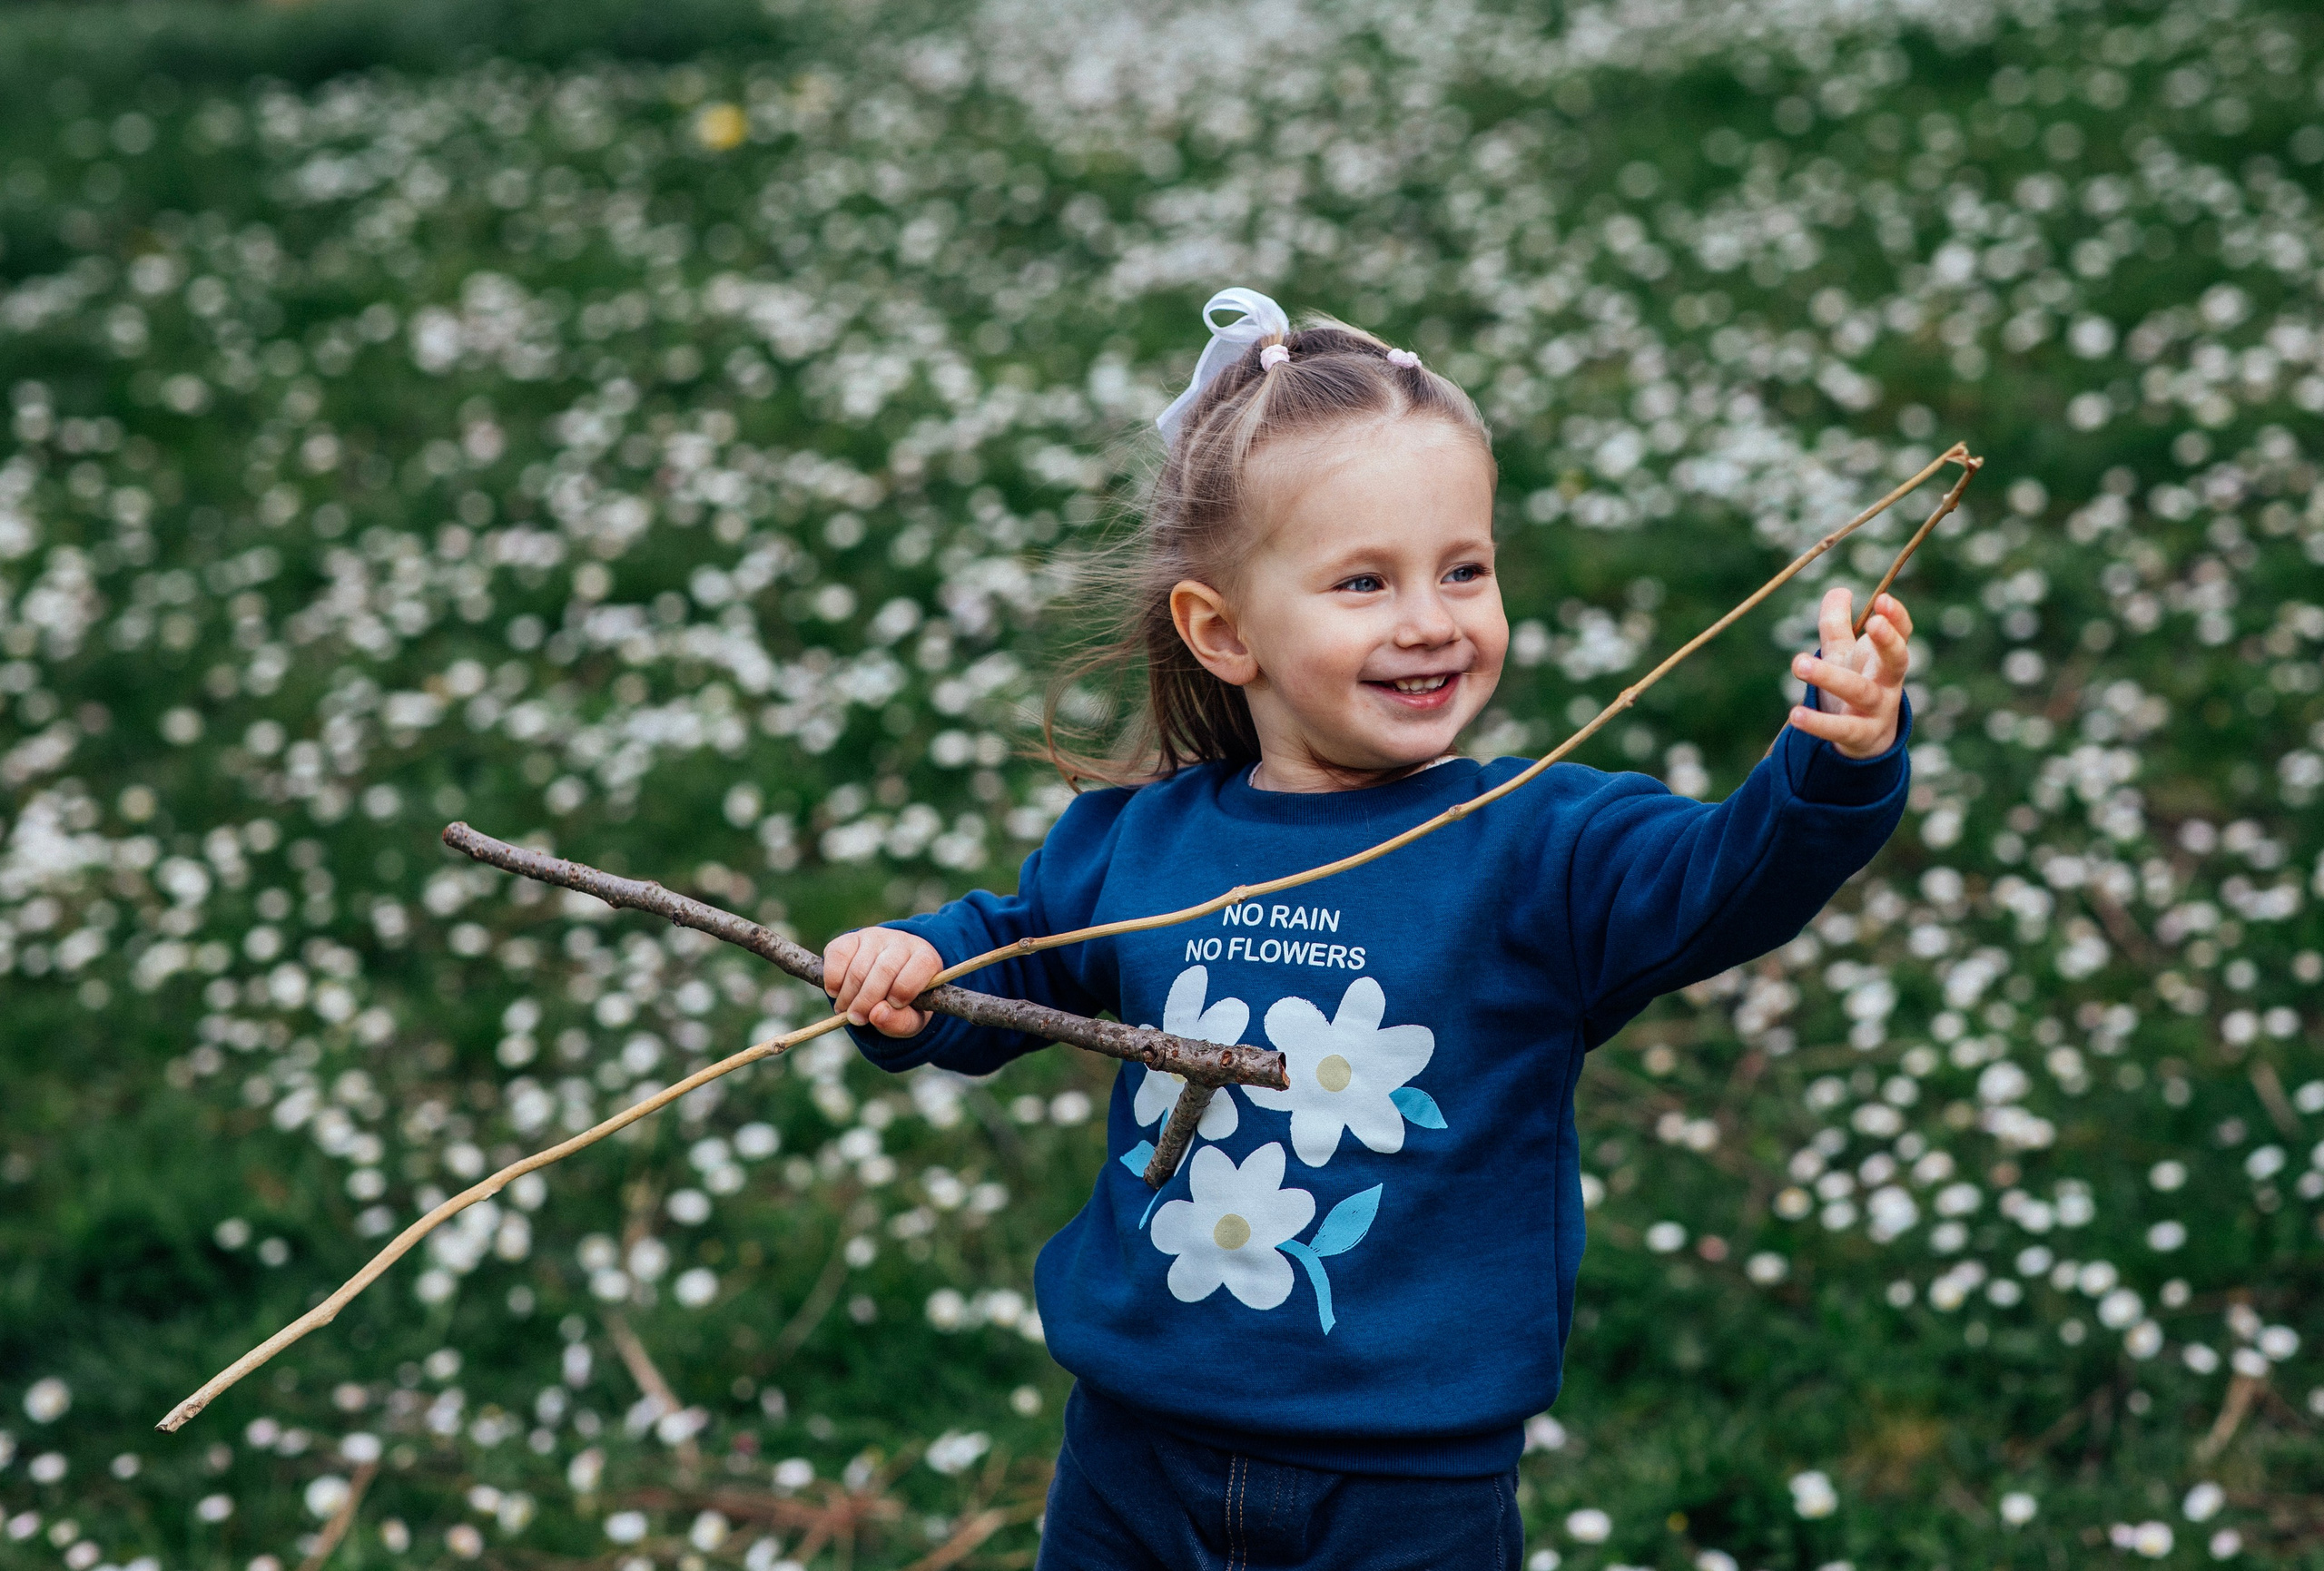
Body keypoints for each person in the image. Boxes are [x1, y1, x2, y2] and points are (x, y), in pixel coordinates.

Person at [821, 288, 1915, 1568]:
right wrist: (917, 969)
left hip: (1406, 1488)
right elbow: (1010, 956)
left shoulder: (1539, 843)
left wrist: (1831, 768)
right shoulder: (1141, 841)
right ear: (1223, 631)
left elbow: (1728, 876)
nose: (1428, 621)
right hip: (1133, 1453)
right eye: (1363, 582)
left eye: (1465, 569)